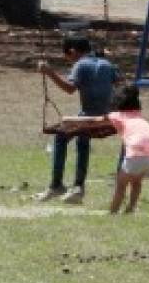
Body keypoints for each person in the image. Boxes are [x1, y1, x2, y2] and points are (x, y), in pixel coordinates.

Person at [35, 33, 121, 204]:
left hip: (90, 118)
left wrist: (49, 72)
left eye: (68, 58)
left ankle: (57, 185)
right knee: (82, 137)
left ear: (73, 52)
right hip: (109, 118)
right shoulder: (107, 64)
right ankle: (78, 189)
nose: (70, 62)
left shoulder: (81, 65)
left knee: (60, 137)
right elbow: (120, 85)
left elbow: (69, 88)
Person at [60, 84, 149, 214]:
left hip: (136, 153)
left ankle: (112, 213)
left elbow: (94, 121)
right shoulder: (138, 114)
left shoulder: (117, 115)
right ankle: (130, 208)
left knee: (121, 184)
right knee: (136, 181)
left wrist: (69, 119)